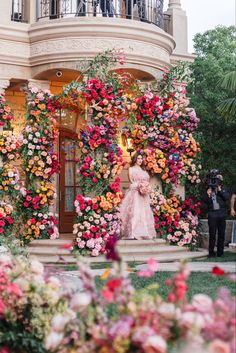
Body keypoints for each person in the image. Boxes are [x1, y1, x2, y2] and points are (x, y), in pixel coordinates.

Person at [120, 152, 156, 240]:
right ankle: (133, 232)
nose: (140, 160)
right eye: (138, 158)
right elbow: (131, 181)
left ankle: (144, 232)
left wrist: (145, 187)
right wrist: (139, 186)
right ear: (135, 159)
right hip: (135, 193)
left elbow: (147, 181)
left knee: (144, 213)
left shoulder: (143, 170)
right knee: (135, 211)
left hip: (143, 194)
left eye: (141, 159)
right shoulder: (131, 169)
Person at [203, 174, 230, 257]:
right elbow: (205, 201)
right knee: (212, 234)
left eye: (217, 180)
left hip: (222, 214)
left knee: (221, 234)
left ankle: (220, 253)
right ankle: (211, 253)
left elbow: (226, 197)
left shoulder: (224, 188)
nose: (216, 182)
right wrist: (208, 195)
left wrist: (220, 190)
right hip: (212, 214)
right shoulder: (209, 189)